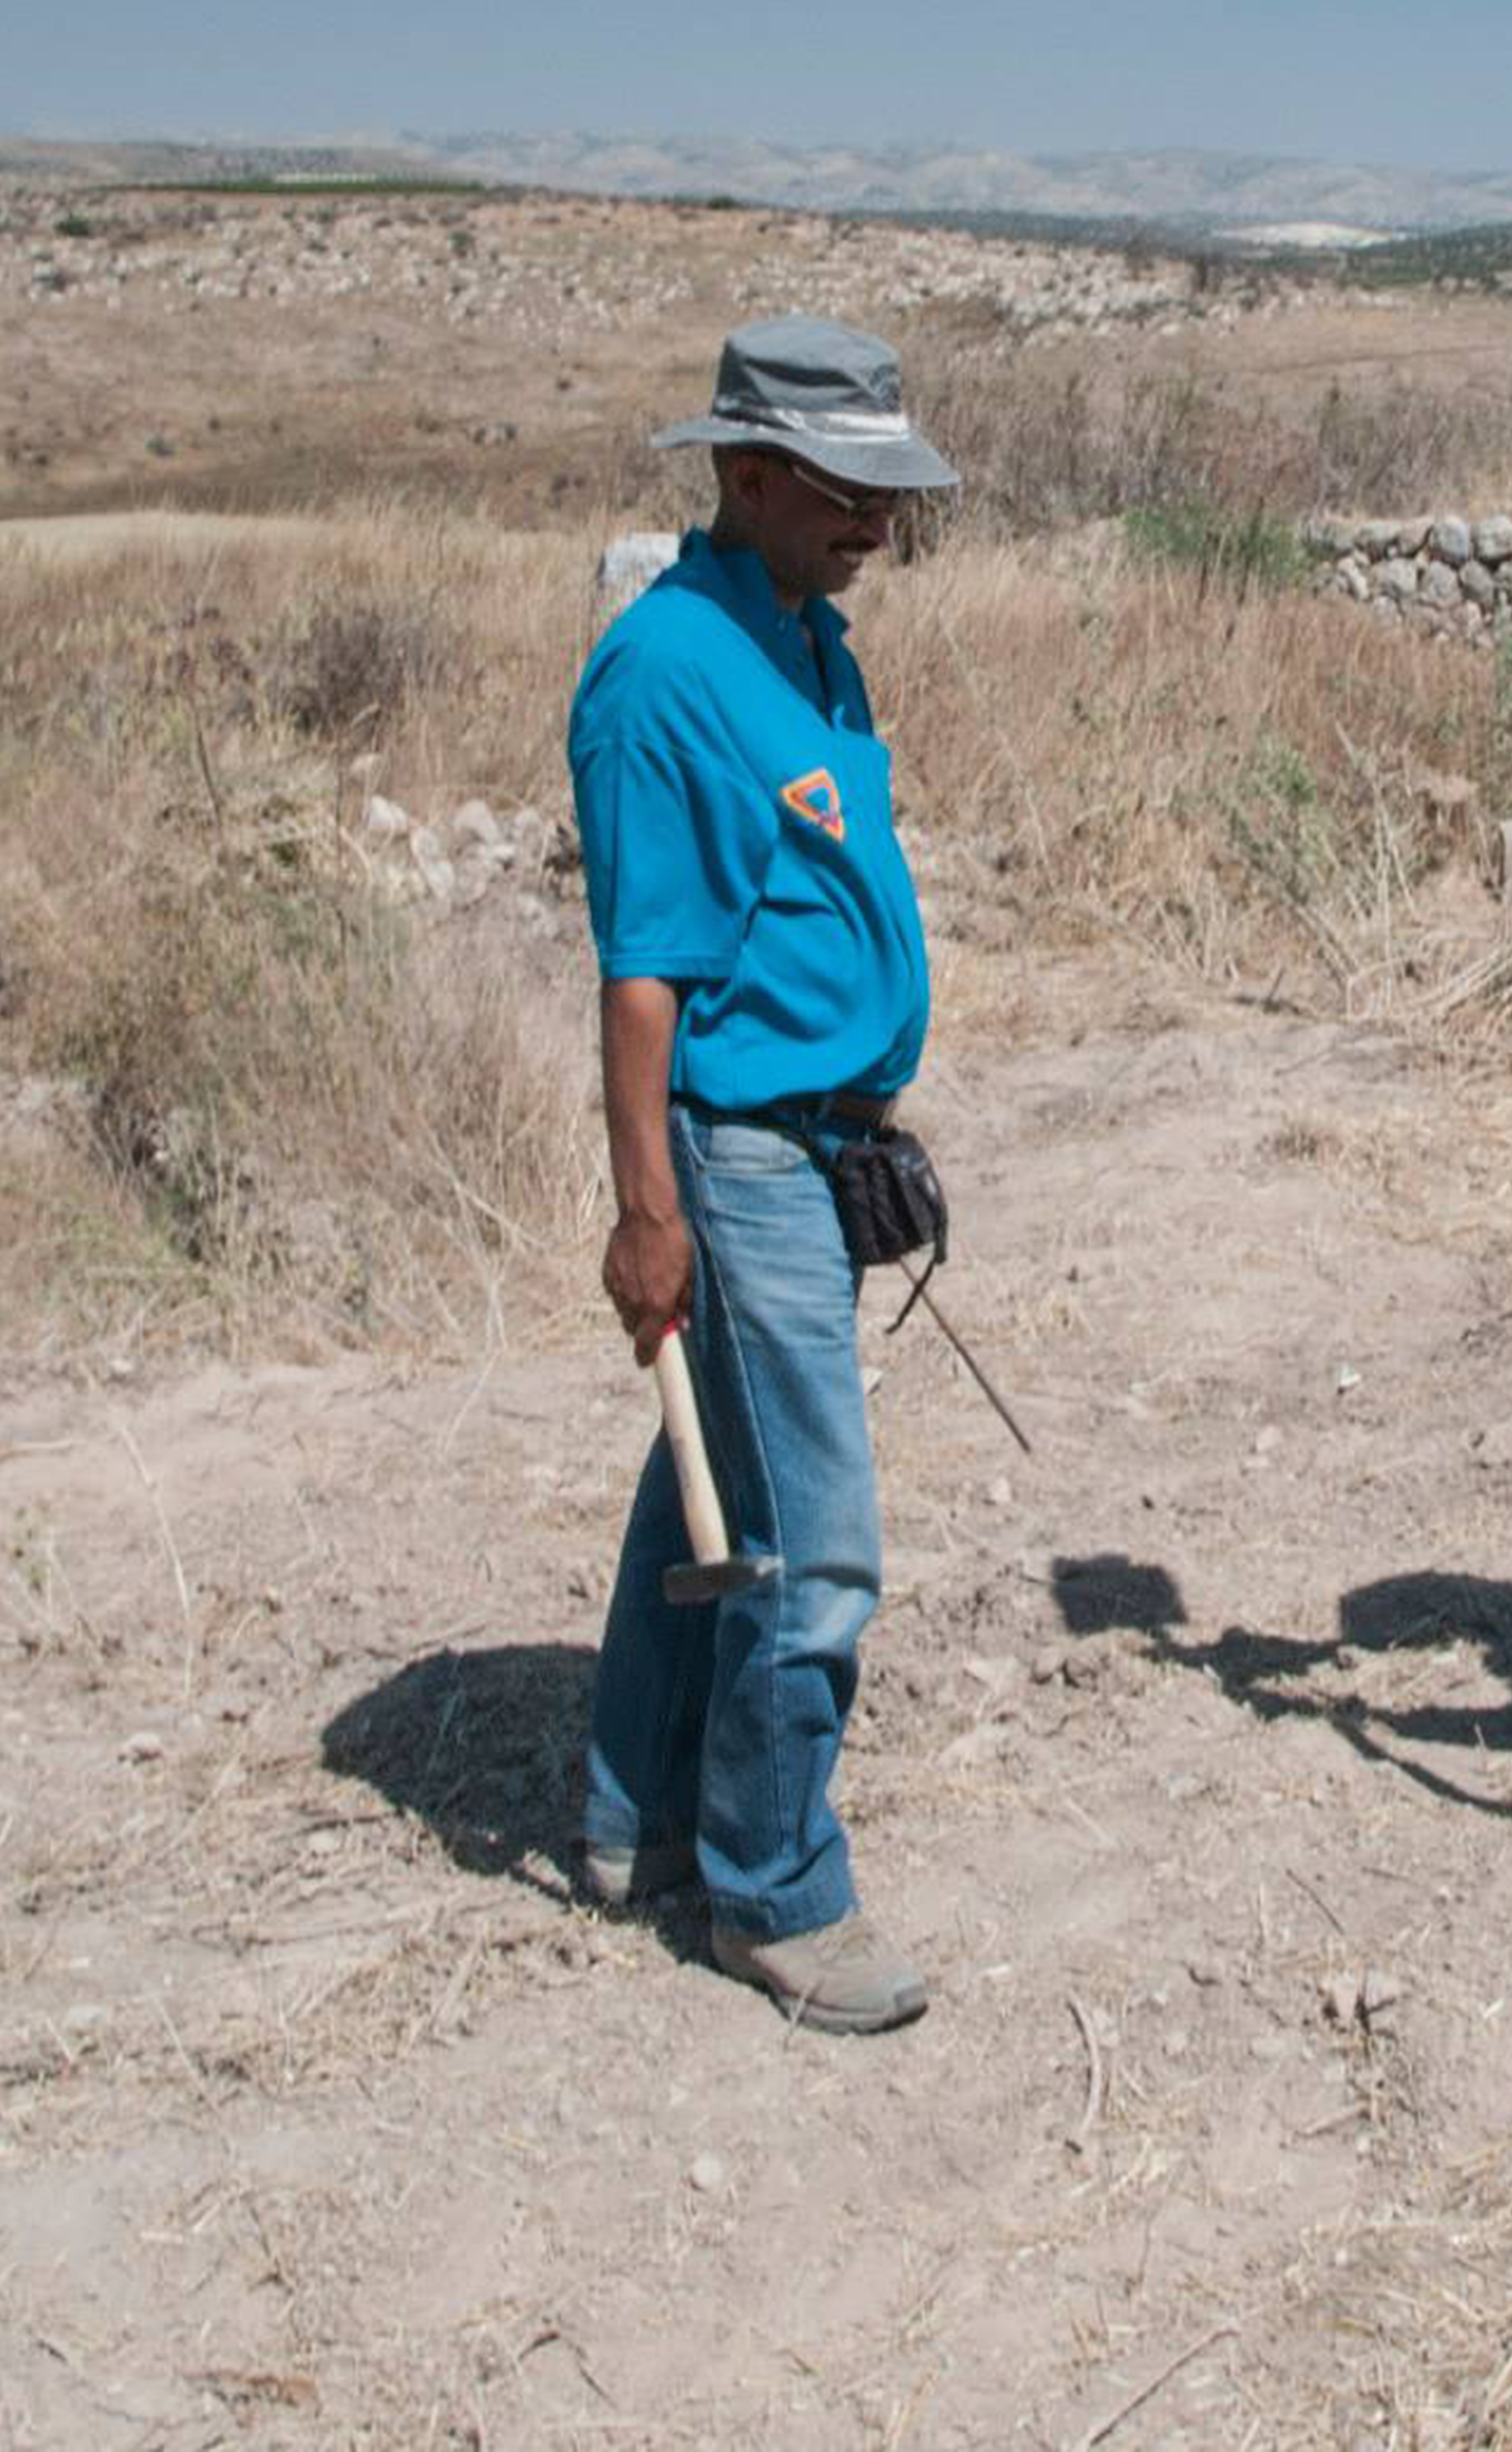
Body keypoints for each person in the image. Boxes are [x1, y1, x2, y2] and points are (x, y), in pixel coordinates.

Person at [565, 315, 957, 2034]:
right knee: (816, 1539)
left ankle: (636, 1814)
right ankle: (776, 1888)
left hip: (809, 1139)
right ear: (741, 471)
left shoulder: (802, 637)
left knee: (716, 1486)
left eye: (889, 490)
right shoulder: (666, 672)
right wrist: (649, 1211)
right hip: (734, 1159)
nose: (878, 520)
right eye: (844, 489)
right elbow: (643, 979)